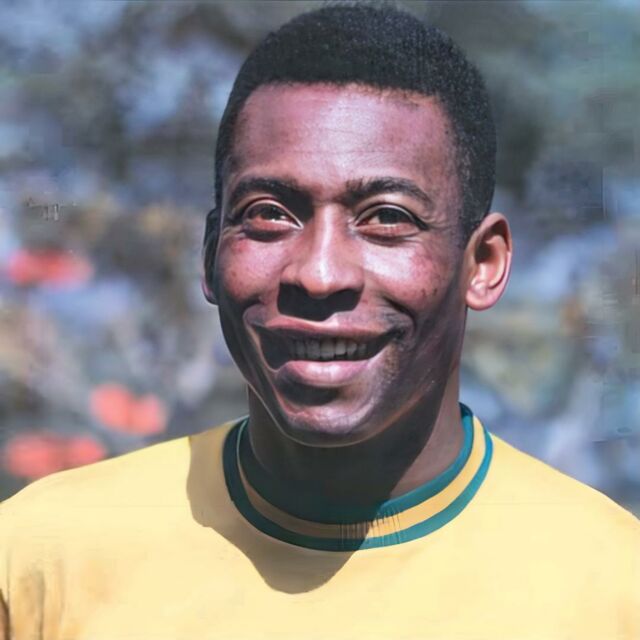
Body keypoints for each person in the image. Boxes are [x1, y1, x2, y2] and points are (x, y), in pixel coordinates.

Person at [1, 5, 638, 639]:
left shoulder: (610, 588)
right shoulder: (42, 565)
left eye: (387, 217)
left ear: (484, 264)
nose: (320, 273)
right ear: (210, 253)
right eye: (269, 213)